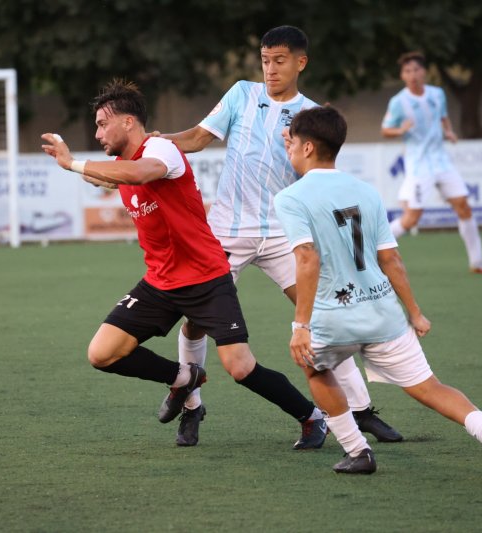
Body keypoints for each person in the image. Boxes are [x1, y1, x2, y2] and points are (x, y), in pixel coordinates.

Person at [41, 79, 327, 448]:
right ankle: (183, 378)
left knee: (240, 367)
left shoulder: (161, 149)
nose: (97, 134)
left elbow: (140, 173)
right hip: (160, 282)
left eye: (101, 124)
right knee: (101, 353)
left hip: (206, 278)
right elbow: (114, 177)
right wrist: (77, 168)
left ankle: (311, 417)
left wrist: (73, 162)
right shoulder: (122, 163)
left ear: (128, 122)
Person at [156, 25, 402, 447]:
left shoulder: (311, 116)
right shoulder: (241, 94)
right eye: (265, 60)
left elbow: (316, 174)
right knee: (194, 321)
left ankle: (360, 411)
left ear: (300, 63)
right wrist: (156, 143)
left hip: (281, 233)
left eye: (280, 61)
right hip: (227, 233)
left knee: (323, 315)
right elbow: (197, 138)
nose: (270, 69)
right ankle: (192, 406)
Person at [274, 105, 482, 479]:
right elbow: (391, 259)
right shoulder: (366, 191)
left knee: (315, 370)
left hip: (333, 319)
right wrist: (414, 312)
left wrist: (301, 325)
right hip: (384, 314)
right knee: (431, 388)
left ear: (308, 147)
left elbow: (306, 258)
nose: (288, 149)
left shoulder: (290, 198)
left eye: (292, 143)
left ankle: (358, 451)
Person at [381, 51, 482, 275]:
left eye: (416, 70)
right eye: (407, 71)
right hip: (419, 166)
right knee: (411, 219)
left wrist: (449, 131)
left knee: (463, 206)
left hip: (442, 162)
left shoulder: (437, 94)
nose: (412, 74)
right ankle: (371, 247)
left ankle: (477, 262)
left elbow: (443, 117)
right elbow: (385, 130)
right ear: (402, 75)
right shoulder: (398, 102)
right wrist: (400, 130)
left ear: (424, 72)